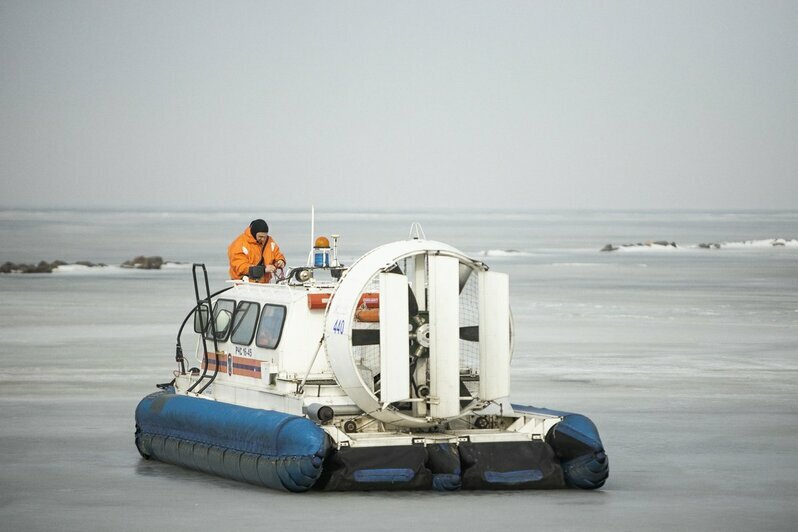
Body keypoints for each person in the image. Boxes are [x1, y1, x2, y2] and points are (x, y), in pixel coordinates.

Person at [227, 219, 286, 283]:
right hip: (244, 285)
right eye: (260, 236)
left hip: (265, 284)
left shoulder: (269, 241)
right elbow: (241, 267)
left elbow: (277, 253)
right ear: (254, 233)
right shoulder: (238, 244)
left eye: (264, 236)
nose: (263, 239)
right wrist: (263, 269)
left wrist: (280, 261)